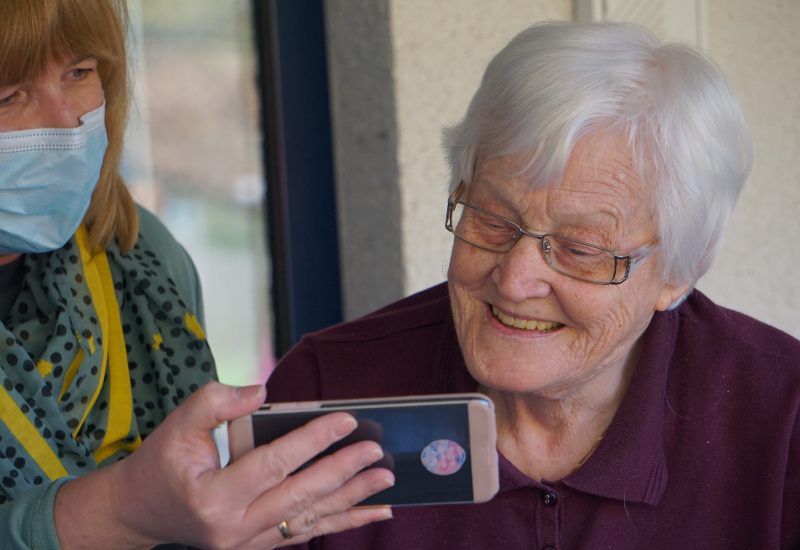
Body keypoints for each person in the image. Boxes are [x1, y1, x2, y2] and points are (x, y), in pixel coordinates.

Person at [265, 20, 800, 549]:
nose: (515, 279)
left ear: (680, 272)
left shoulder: (783, 420)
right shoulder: (328, 391)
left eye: (581, 249)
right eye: (492, 220)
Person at [0, 0, 394, 548]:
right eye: (9, 96)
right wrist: (121, 510)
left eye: (79, 73)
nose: (67, 120)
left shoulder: (138, 257)